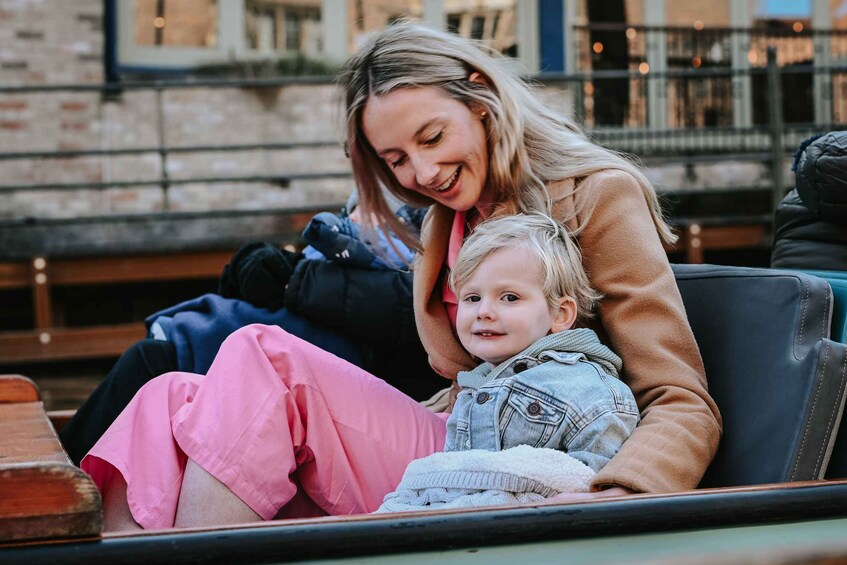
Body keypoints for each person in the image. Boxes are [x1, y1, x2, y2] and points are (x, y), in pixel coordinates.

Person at [82, 22, 721, 531]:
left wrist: (624, 498)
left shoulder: (597, 195)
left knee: (261, 354)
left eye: (433, 136)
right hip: (461, 438)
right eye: (396, 159)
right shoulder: (450, 218)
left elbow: (681, 397)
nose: (421, 171)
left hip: (532, 467)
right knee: (166, 394)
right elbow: (468, 385)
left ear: (480, 94)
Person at [378, 212, 639, 512]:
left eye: (510, 298)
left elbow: (594, 481)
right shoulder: (472, 391)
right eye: (472, 298)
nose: (484, 311)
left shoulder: (586, 388)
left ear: (560, 314)